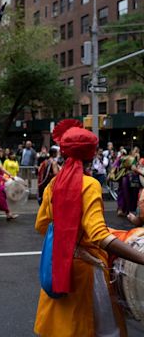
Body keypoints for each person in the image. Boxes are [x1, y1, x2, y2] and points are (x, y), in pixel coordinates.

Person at [34, 119, 144, 337]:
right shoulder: (90, 184)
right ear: (91, 155)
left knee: (63, 329)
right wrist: (142, 259)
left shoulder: (54, 185)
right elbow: (99, 236)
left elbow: (42, 225)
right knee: (100, 330)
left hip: (59, 266)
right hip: (86, 274)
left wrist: (70, 239)